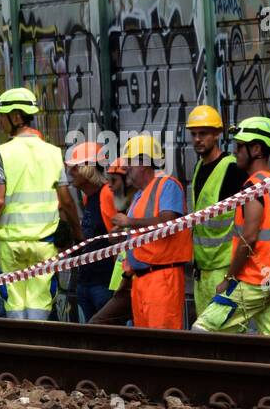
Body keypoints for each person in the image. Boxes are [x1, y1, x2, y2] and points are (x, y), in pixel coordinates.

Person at [0, 88, 81, 320]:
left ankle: (19, 350)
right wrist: (77, 234)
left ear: (16, 117)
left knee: (14, 302)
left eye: (2, 117)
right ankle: (38, 348)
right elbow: (66, 201)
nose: (0, 122)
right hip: (44, 243)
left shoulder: (3, 152)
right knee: (41, 302)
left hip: (11, 246)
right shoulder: (53, 153)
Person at [193, 117, 270, 335]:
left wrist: (229, 279)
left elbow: (248, 238)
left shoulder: (252, 187)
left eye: (240, 147)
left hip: (257, 279)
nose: (235, 152)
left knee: (204, 329)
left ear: (256, 149)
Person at [109, 134, 191, 330]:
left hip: (162, 279)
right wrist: (122, 235)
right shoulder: (140, 194)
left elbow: (168, 222)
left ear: (144, 163)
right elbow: (141, 234)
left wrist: (130, 222)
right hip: (143, 280)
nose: (125, 167)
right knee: (146, 345)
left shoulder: (167, 185)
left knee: (162, 344)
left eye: (129, 161)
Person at [185, 104, 249, 318]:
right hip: (202, 271)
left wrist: (232, 274)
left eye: (203, 134)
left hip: (223, 268)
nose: (197, 139)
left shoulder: (231, 169)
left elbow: (246, 219)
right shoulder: (199, 168)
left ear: (217, 135)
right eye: (193, 134)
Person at [66, 141, 114, 323]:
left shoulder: (106, 195)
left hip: (103, 283)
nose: (71, 173)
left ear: (88, 169)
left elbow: (116, 241)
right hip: (87, 281)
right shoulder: (89, 197)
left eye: (75, 168)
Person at [90, 158, 135, 326]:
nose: (109, 186)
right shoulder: (126, 212)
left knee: (99, 324)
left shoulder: (136, 211)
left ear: (127, 182)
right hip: (122, 284)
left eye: (114, 181)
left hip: (131, 284)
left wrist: (124, 280)